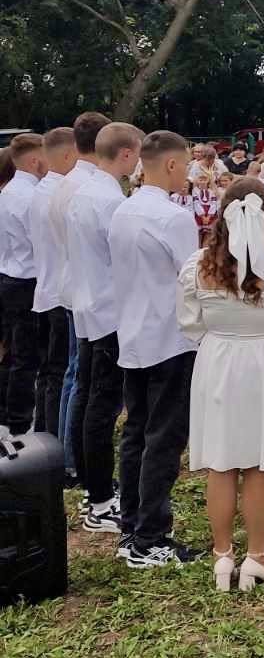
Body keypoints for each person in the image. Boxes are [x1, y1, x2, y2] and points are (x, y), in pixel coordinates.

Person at [179, 179, 264, 592]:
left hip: (217, 359)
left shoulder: (199, 264)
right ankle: (257, 555)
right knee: (260, 463)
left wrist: (218, 338)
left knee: (220, 462)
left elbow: (189, 321)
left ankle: (223, 555)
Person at [108, 131, 200, 569]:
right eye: (186, 165)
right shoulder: (173, 217)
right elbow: (193, 278)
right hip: (169, 338)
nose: (189, 174)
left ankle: (131, 526)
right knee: (164, 437)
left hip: (133, 334)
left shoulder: (123, 210)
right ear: (170, 165)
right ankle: (151, 536)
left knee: (137, 433)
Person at [68, 122, 144, 532]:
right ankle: (100, 501)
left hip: (88, 304)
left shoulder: (86, 192)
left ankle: (92, 485)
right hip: (109, 311)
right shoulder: (110, 200)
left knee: (90, 398)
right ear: (127, 153)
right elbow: (125, 261)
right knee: (103, 403)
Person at [46, 111, 110, 483]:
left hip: (72, 283)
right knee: (80, 377)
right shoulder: (86, 187)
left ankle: (68, 454)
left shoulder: (67, 184)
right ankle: (72, 459)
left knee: (76, 374)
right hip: (86, 288)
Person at [29, 127, 77, 435]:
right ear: (69, 154)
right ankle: (54, 439)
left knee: (49, 371)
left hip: (46, 286)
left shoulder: (40, 190)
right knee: (59, 372)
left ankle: (44, 432)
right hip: (59, 290)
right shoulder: (63, 192)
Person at [0, 133, 48, 432]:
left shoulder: (8, 192)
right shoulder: (30, 197)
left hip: (9, 275)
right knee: (26, 356)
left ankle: (6, 412)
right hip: (26, 279)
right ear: (34, 160)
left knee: (13, 352)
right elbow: (39, 243)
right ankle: (18, 420)